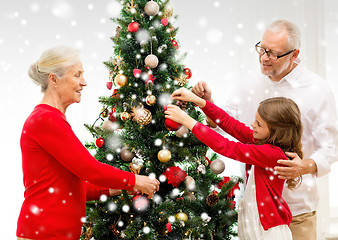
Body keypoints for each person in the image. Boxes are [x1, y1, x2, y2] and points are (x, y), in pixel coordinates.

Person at [192, 20, 338, 240]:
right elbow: (228, 125)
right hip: (254, 211)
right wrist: (208, 106)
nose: (263, 58)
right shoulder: (248, 82)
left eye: (273, 54)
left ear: (294, 54)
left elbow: (331, 148)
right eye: (262, 49)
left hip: (297, 211)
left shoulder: (317, 90)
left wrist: (304, 166)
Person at [16, 46, 160, 240]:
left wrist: (120, 187)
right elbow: (90, 169)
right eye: (77, 75)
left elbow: (67, 188)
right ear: (54, 79)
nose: (84, 83)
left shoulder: (49, 118)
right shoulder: (46, 120)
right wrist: (136, 180)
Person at [165, 88, 303, 240]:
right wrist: (199, 101)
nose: (252, 124)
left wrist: (187, 121)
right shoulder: (263, 142)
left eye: (259, 124)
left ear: (276, 132)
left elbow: (226, 146)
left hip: (267, 232)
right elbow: (230, 124)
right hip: (255, 225)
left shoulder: (272, 154)